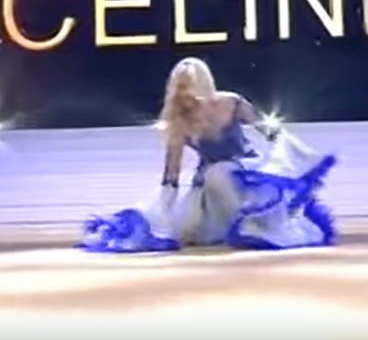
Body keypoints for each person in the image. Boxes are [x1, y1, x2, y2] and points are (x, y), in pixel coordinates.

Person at [79, 57, 337, 252]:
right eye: (180, 89)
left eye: (189, 88)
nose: (185, 95)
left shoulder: (231, 103)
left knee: (220, 175)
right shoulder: (178, 122)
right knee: (187, 229)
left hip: (244, 174)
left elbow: (269, 130)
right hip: (209, 184)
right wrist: (159, 216)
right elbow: (171, 176)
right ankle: (229, 225)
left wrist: (295, 154)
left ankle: (248, 223)